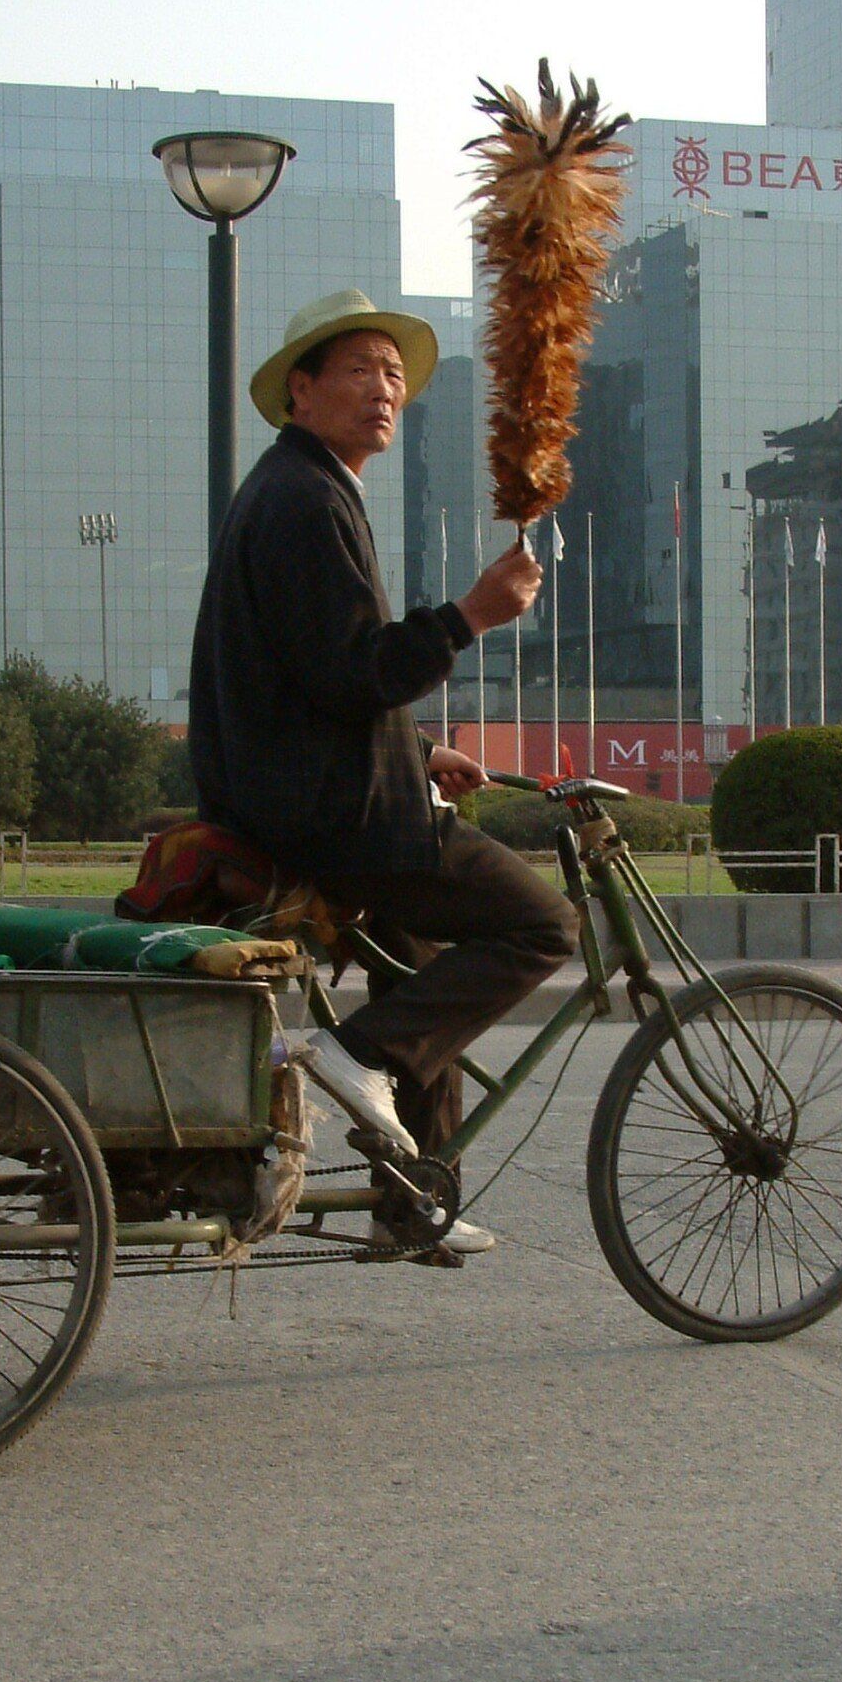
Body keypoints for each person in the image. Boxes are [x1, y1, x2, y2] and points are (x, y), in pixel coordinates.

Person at [189, 288, 568, 1250]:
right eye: (358, 369)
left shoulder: (302, 489)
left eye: (394, 374)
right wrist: (471, 615)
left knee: (425, 966)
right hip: (337, 817)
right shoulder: (307, 499)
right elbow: (354, 669)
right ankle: (357, 1054)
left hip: (311, 794)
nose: (383, 389)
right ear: (300, 392)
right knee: (542, 922)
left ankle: (414, 1203)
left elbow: (321, 678)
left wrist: (417, 748)